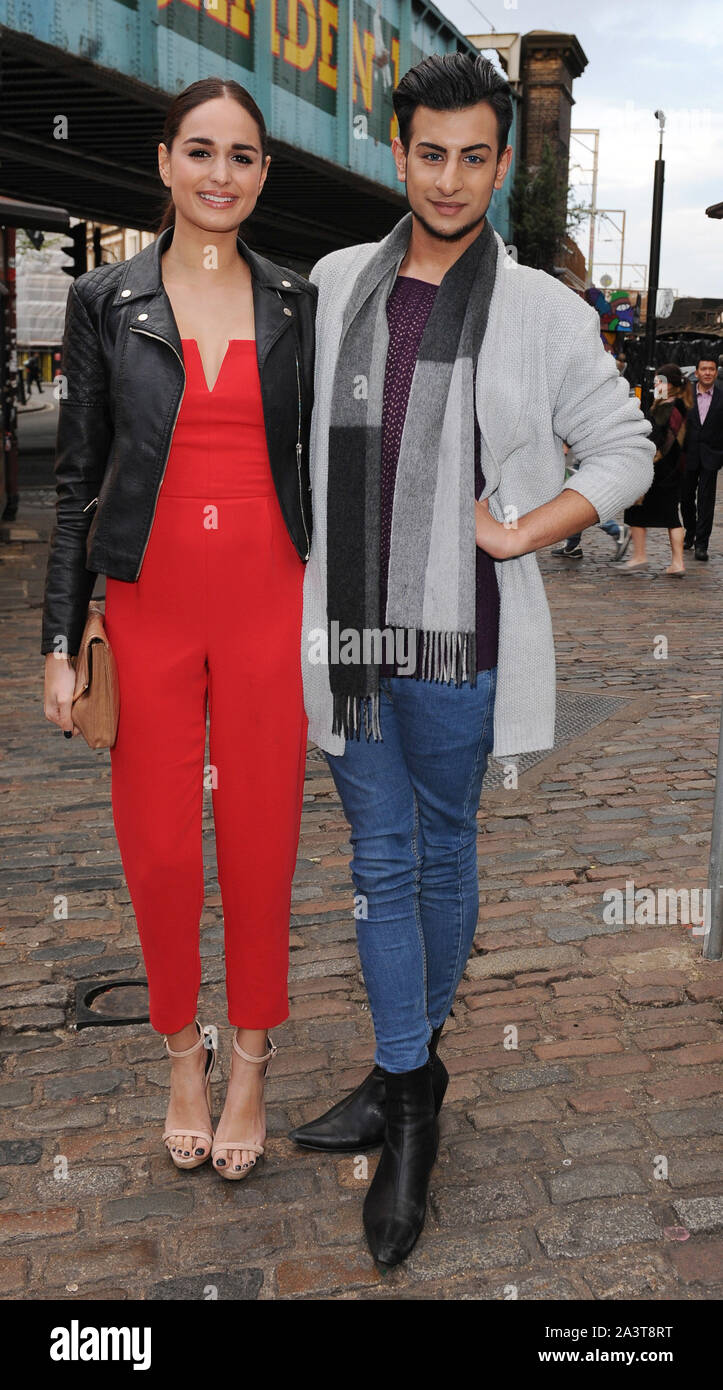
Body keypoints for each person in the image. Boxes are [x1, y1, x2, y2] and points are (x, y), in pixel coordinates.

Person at [292, 52, 655, 1271]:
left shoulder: (546, 309)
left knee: (440, 850)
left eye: (476, 156)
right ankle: (411, 1091)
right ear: (397, 154)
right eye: (429, 153)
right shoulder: (339, 279)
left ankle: (406, 1094)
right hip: (348, 641)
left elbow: (623, 450)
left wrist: (518, 528)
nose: (450, 179)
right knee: (379, 862)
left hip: (463, 644)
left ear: (504, 164)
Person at [41, 78, 316, 1181]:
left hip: (270, 602)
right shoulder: (107, 300)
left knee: (262, 841)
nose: (219, 173)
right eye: (198, 151)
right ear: (163, 164)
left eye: (241, 156)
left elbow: (324, 468)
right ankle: (180, 1054)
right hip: (147, 605)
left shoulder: (298, 300)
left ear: (262, 175)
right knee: (159, 850)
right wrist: (61, 640)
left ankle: (250, 1054)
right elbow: (74, 482)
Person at [620, 364, 691, 573]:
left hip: (658, 469)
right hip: (674, 469)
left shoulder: (666, 407)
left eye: (659, 382)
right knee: (671, 516)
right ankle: (676, 563)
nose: (655, 385)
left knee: (635, 509)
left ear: (670, 384)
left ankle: (640, 556)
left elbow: (657, 439)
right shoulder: (681, 405)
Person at [551, 444, 631, 559]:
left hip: (581, 456)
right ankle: (572, 545)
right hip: (589, 455)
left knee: (579, 504)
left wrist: (565, 446)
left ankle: (617, 531)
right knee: (577, 503)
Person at [680, 355, 723, 560]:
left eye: (711, 369)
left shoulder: (722, 394)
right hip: (688, 454)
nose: (707, 373)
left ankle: (702, 544)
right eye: (704, 369)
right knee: (685, 498)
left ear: (716, 372)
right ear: (696, 373)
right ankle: (690, 530)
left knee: (706, 501)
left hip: (712, 456)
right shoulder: (685, 393)